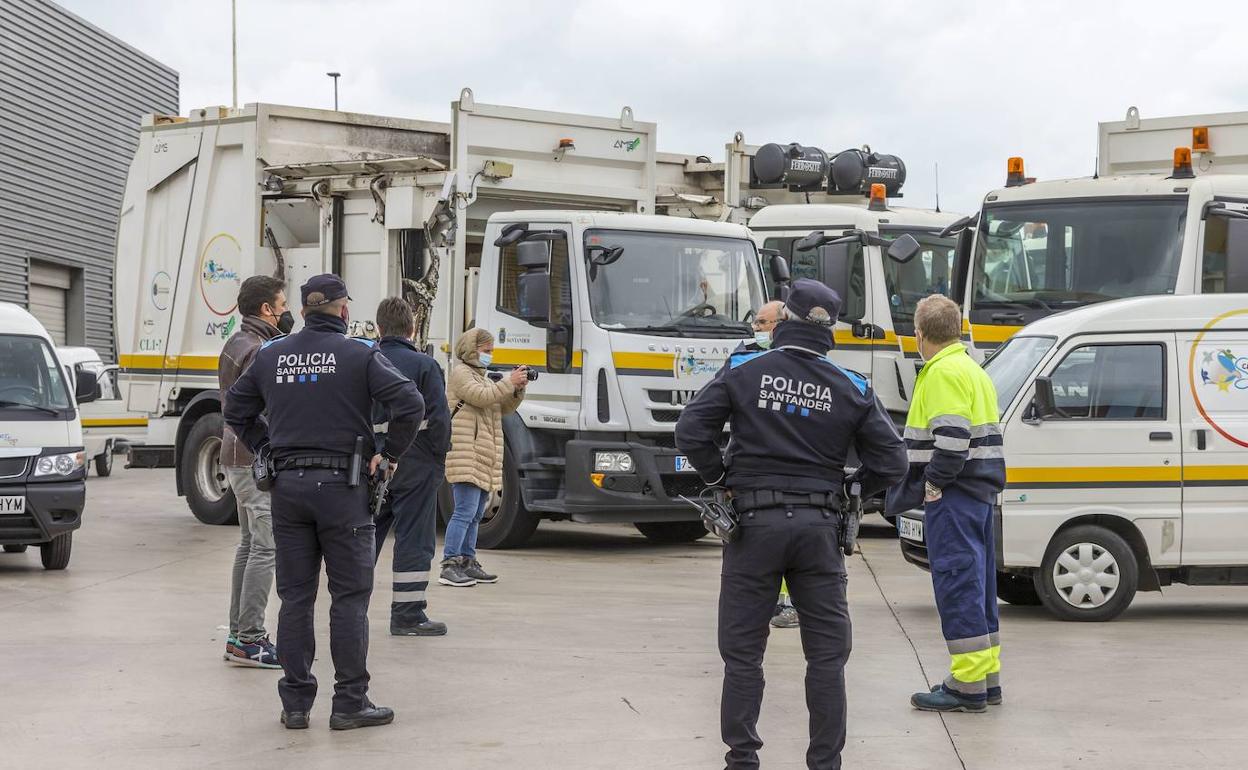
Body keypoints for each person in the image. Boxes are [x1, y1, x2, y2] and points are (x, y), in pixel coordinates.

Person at [676, 279, 908, 769]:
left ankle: (742, 760)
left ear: (783, 322)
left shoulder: (744, 369)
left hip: (753, 525)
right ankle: (825, 764)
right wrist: (853, 492)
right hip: (819, 530)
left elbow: (690, 431)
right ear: (830, 330)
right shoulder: (853, 386)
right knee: (826, 658)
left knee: (743, 655)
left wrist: (721, 476)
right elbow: (892, 461)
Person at [224, 274, 425, 731]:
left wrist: (266, 448)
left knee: (295, 599)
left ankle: (295, 705)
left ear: (303, 309)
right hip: (343, 491)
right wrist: (388, 455)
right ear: (343, 310)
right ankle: (349, 702)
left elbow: (235, 410)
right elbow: (410, 404)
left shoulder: (273, 355)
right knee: (349, 599)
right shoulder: (359, 353)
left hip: (289, 490)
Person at [887, 294, 1006, 714]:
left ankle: (966, 686)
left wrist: (933, 484)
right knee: (978, 587)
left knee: (957, 585)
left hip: (954, 496)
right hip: (977, 495)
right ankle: (986, 678)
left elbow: (952, 442)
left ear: (919, 334)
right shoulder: (972, 369)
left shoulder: (941, 372)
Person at [218, 275, 292, 668]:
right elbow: (263, 408)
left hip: (235, 454)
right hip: (253, 456)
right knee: (266, 546)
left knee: (249, 545)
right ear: (266, 309)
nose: (286, 312)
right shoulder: (260, 350)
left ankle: (238, 634)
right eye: (282, 305)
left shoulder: (236, 341)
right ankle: (250, 639)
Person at [371, 297, 451, 636]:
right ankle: (407, 615)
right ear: (412, 328)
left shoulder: (364, 360)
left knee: (365, 537)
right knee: (414, 540)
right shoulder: (424, 366)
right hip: (417, 464)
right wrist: (437, 457)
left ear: (379, 328)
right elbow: (439, 420)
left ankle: (349, 606)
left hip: (372, 463)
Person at [440, 328, 528, 587]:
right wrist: (507, 382)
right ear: (471, 350)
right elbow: (481, 397)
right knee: (464, 511)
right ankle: (449, 564)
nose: (489, 355)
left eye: (491, 351)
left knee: (476, 512)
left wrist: (517, 389)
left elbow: (503, 407)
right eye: (486, 351)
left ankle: (468, 560)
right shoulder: (460, 375)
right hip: (465, 452)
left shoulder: (485, 378)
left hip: (482, 454)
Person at [742, 300, 800, 630]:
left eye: (762, 324)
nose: (757, 330)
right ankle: (778, 603)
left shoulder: (797, 368)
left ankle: (790, 604)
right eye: (756, 324)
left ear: (780, 325)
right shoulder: (747, 359)